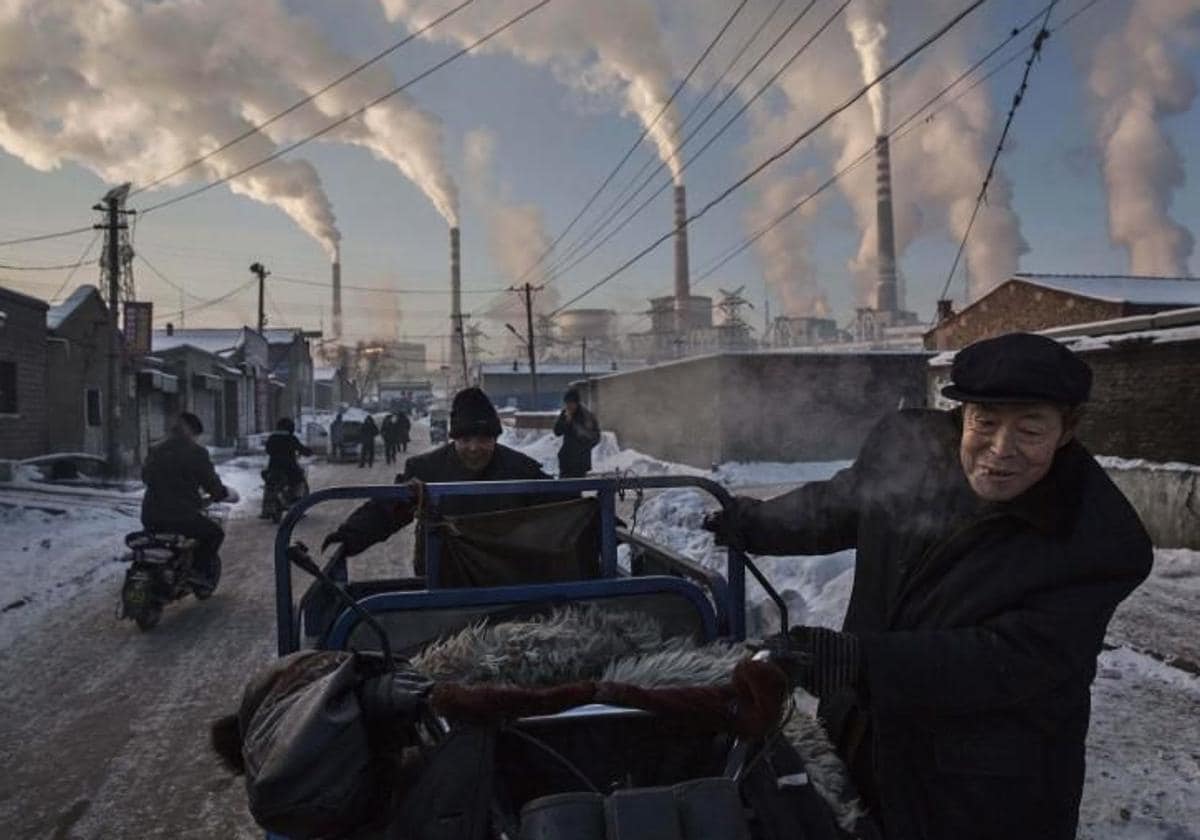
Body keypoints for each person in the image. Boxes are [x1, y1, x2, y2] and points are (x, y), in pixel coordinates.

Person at [703, 332, 1152, 840]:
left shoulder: (1095, 539)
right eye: (985, 422)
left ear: (1067, 430)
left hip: (982, 790)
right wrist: (752, 524)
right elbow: (841, 504)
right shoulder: (913, 453)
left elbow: (1009, 659)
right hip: (865, 742)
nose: (1000, 451)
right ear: (962, 415)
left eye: (1030, 430)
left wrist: (859, 661)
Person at [323, 387, 557, 570]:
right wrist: (349, 537)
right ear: (454, 439)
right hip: (441, 584)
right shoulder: (426, 469)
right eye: (465, 440)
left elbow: (563, 507)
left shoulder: (521, 470)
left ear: (495, 438)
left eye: (483, 439)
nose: (474, 448)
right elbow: (389, 509)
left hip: (501, 581)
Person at [140, 412, 233, 588]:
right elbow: (210, 482)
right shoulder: (196, 453)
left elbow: (145, 477)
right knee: (214, 534)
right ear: (191, 431)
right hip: (181, 517)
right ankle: (197, 572)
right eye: (196, 434)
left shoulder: (156, 449)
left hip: (150, 515)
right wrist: (220, 493)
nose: (196, 439)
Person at [553, 388, 600, 478]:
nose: (568, 406)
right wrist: (567, 421)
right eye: (566, 403)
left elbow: (595, 437)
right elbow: (557, 431)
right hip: (566, 461)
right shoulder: (565, 414)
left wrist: (583, 448)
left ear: (576, 403)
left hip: (580, 462)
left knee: (576, 488)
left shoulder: (587, 416)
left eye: (571, 403)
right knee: (562, 489)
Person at [264, 417, 312, 499]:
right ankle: (297, 500)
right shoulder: (291, 438)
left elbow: (268, 450)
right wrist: (309, 451)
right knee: (300, 480)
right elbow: (302, 449)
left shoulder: (272, 438)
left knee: (269, 481)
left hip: (273, 467)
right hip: (289, 468)